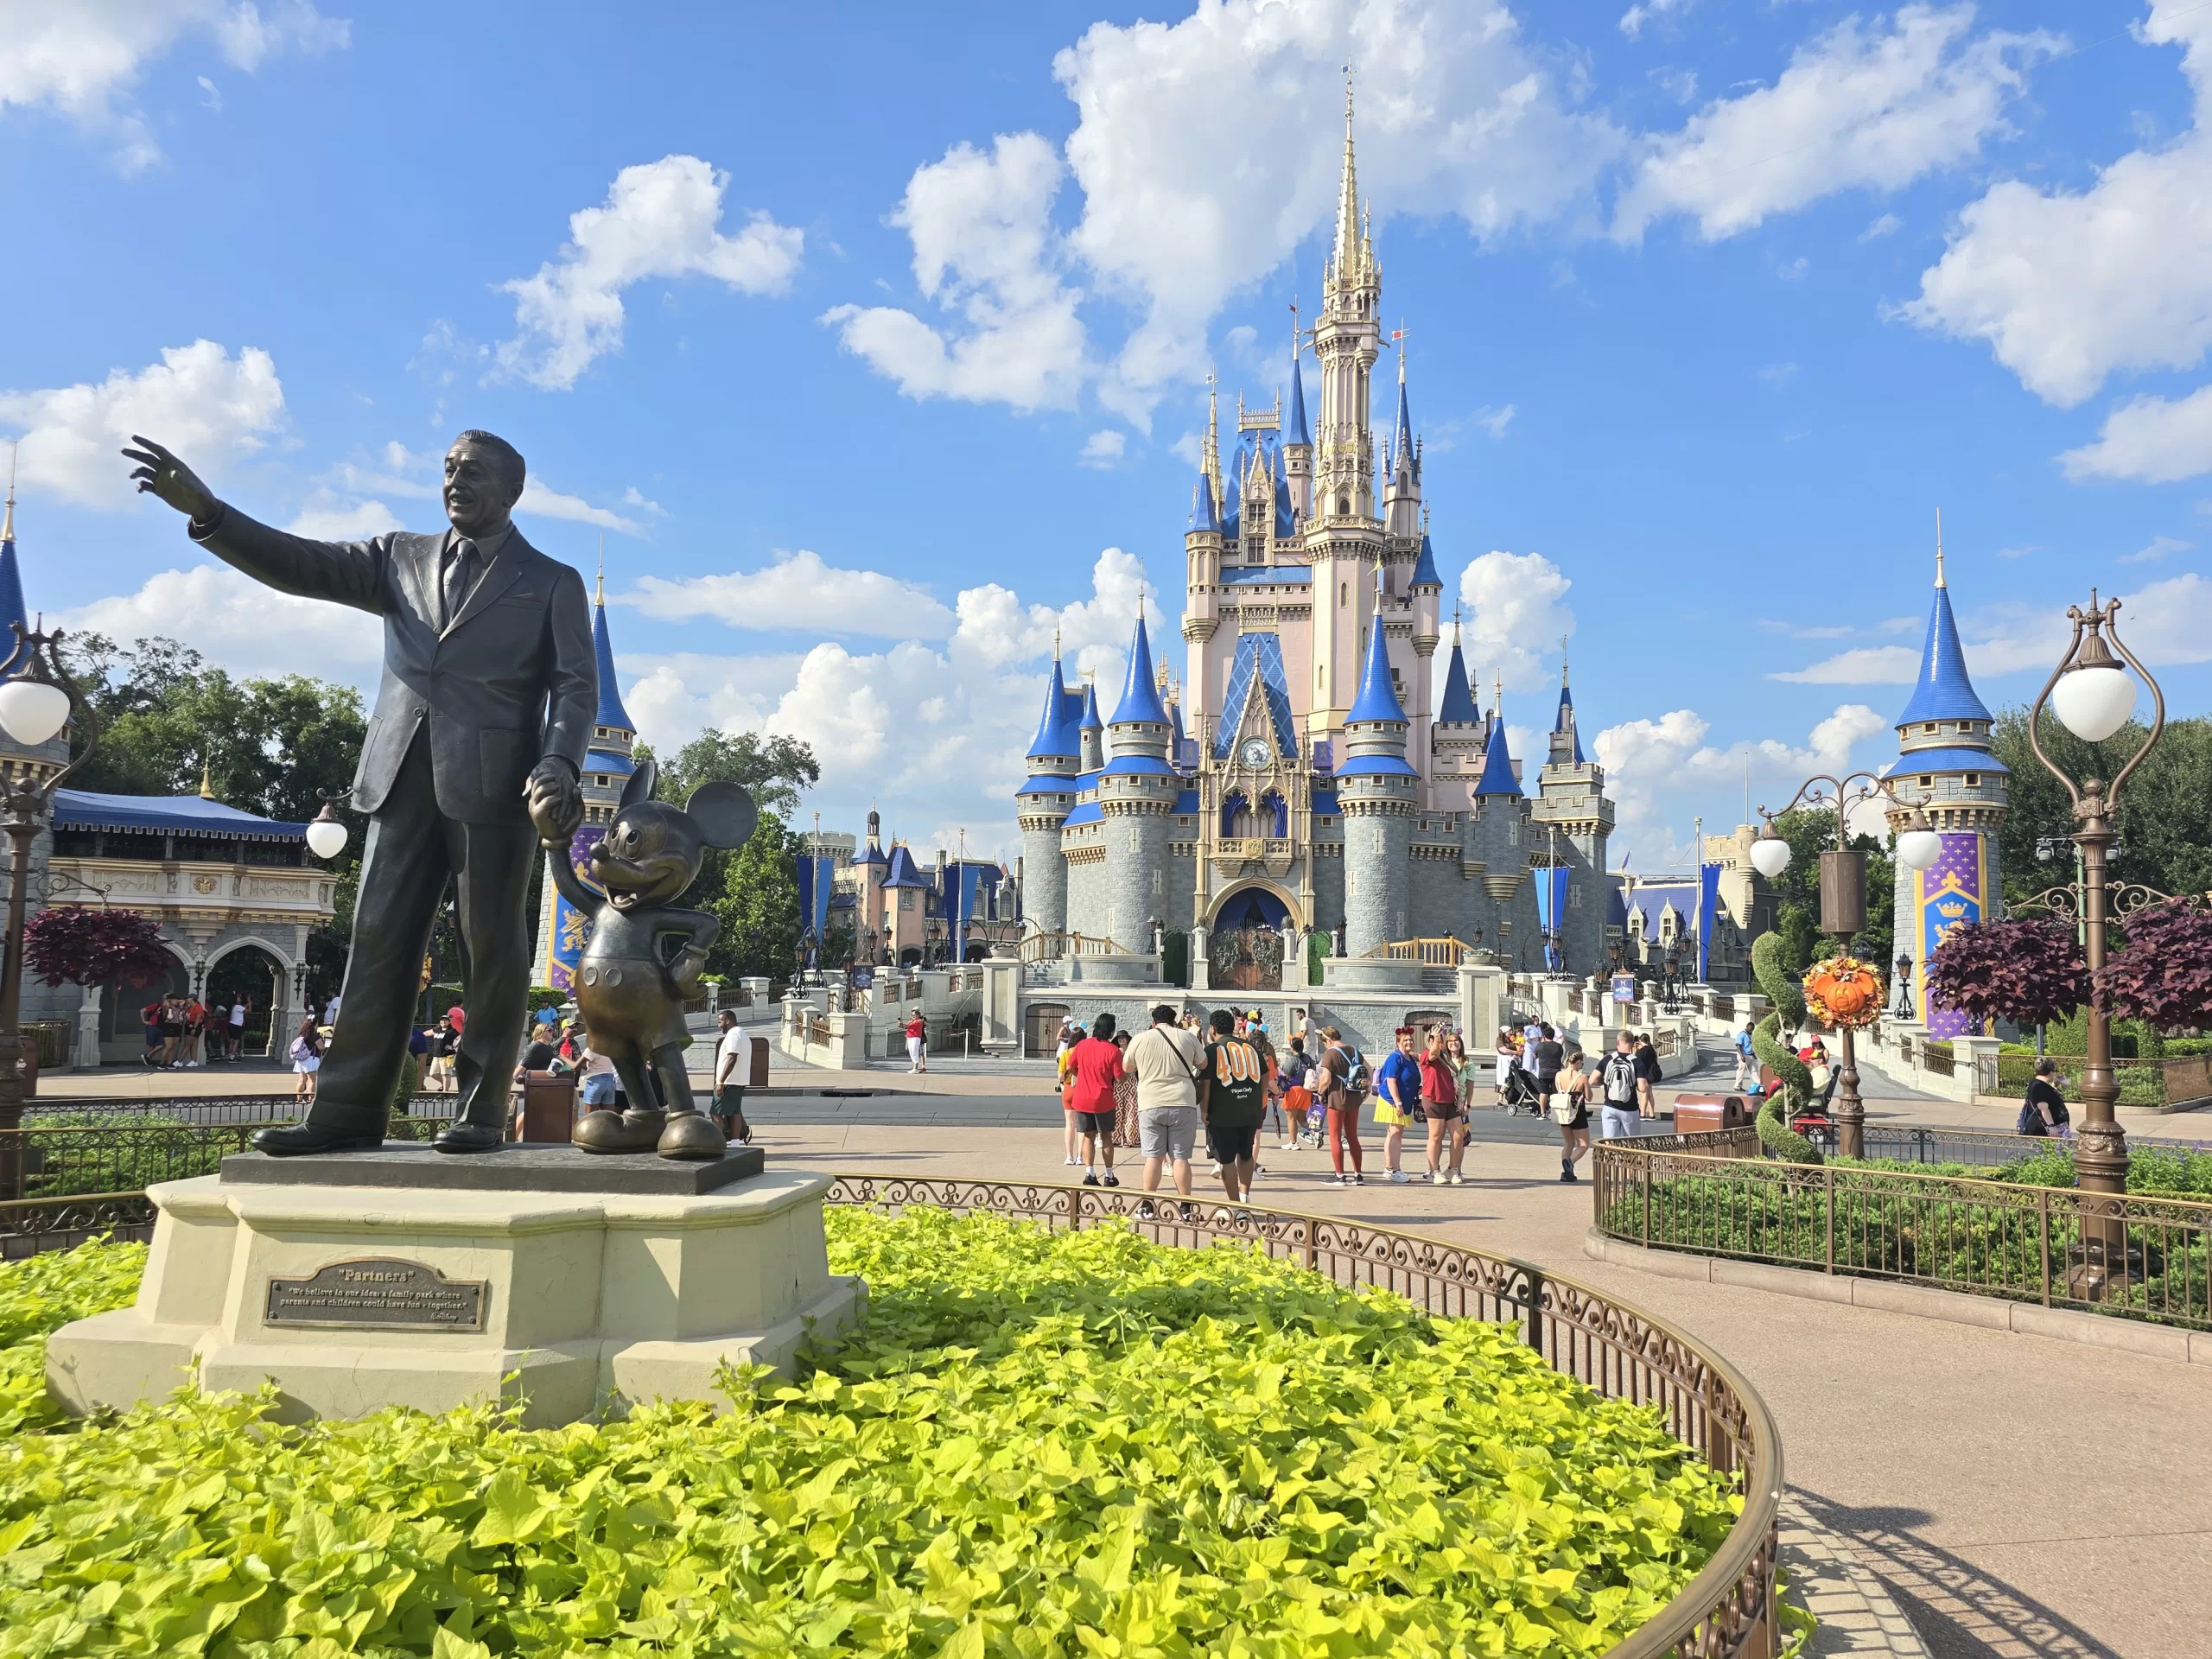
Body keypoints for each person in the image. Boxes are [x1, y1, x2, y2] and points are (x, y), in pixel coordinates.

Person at [1126, 1004, 1205, 1217]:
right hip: (1182, 1101)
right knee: (1180, 1157)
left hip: (1150, 1102)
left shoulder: (1141, 1038)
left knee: (1153, 1156)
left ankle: (1148, 1205)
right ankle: (1185, 1207)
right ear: (1175, 1021)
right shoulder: (1187, 1037)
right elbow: (1204, 1063)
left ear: (1153, 1022)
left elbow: (1127, 1068)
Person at [1200, 1009, 1266, 1208]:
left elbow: (1206, 1085)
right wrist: (1257, 1100)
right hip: (1250, 1111)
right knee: (1246, 1155)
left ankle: (1235, 1205)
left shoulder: (1212, 1051)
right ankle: (1245, 1195)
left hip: (1223, 1113)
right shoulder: (1251, 1048)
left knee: (1227, 1160)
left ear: (1212, 1029)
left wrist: (1204, 1111)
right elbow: (1265, 1078)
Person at [1065, 1013, 1125, 1186]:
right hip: (1103, 1099)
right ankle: (1109, 1175)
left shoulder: (1083, 1045)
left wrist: (1081, 1076)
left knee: (1088, 1136)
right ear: (1111, 1031)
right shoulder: (1113, 1051)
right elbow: (1120, 1077)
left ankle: (1089, 1173)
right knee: (1106, 1136)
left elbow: (1070, 1066)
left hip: (1082, 1097)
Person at [1316, 1026, 1364, 1186]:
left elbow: (1326, 1079)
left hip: (1336, 1099)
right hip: (1354, 1099)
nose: (1325, 1046)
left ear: (1329, 1040)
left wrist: (1319, 1092)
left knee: (1335, 1137)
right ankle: (1358, 1175)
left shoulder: (1330, 1054)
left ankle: (1340, 1175)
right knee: (1352, 1137)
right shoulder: (1354, 1051)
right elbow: (1368, 1071)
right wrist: (1367, 1091)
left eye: (1324, 1043)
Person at [1373, 1027, 1421, 1183]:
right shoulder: (1396, 1058)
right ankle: (1394, 1169)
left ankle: (1389, 1168)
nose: (1409, 1042)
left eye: (1410, 1040)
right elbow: (1391, 1080)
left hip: (1404, 1101)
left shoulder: (1410, 1058)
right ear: (1398, 1043)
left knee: (1393, 1134)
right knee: (1395, 1133)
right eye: (1405, 1040)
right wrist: (1398, 1102)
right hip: (1392, 1101)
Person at [1420, 1030, 1466, 1185]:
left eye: (1440, 1039)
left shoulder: (1446, 1058)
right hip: (1433, 1099)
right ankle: (1434, 1170)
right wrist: (1436, 1038)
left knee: (1458, 1135)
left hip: (1450, 1100)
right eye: (1435, 1039)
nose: (1439, 1041)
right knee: (1436, 1135)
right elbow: (1433, 1052)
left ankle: (1453, 1169)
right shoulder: (1427, 1054)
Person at [710, 1007, 753, 1143]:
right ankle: (735, 1144)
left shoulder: (733, 1035)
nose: (719, 1025)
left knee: (716, 1112)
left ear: (728, 1021)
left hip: (729, 1082)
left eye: (720, 1022)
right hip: (739, 1080)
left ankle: (717, 1143)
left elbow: (732, 1058)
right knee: (735, 1113)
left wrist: (721, 1081)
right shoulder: (743, 1034)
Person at [1557, 1045, 1593, 1181]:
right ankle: (1570, 1162)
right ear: (1577, 1063)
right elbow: (1589, 1097)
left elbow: (1559, 1091)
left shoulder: (1558, 1075)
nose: (1581, 1065)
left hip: (1563, 1112)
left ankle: (1566, 1174)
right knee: (1583, 1145)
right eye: (1581, 1063)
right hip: (1577, 1111)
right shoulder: (1582, 1077)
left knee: (1568, 1143)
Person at [1598, 1032, 1641, 1142]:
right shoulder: (1636, 1062)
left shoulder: (1608, 1059)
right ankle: (1628, 1160)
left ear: (1617, 1042)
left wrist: (1606, 1083)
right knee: (1632, 1145)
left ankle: (1611, 1159)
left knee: (1609, 1144)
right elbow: (1643, 1088)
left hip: (1610, 1106)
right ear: (1632, 1043)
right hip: (1630, 1109)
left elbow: (1592, 1080)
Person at [1273, 1035, 1313, 1151]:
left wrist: (1277, 1067)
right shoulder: (1308, 1058)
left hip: (1294, 1091)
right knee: (1302, 1117)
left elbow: (1285, 1075)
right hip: (1306, 1090)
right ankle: (1315, 1133)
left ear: (1292, 1047)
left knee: (1291, 1118)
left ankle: (1293, 1143)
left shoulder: (1292, 1060)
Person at [1058, 1021, 1086, 1166]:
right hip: (1083, 1089)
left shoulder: (1065, 1054)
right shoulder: (1086, 1052)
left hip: (1069, 1088)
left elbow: (1060, 1076)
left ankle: (1069, 1156)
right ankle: (1080, 1157)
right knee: (1082, 1125)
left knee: (1069, 1124)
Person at [2018, 1057, 2070, 1136]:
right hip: (2045, 1130)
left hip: (2048, 1128)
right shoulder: (2039, 1086)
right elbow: (2043, 1107)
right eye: (2054, 1071)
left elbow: (2047, 1097)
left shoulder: (2039, 1084)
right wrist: (2051, 1126)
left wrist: (2055, 1085)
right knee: (2052, 1148)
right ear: (2051, 1072)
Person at [577, 1035, 619, 1111]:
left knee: (591, 1118)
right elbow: (588, 1067)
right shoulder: (609, 1048)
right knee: (608, 1116)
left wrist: (564, 1057)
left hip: (596, 1081)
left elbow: (575, 1066)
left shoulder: (593, 1048)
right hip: (610, 1081)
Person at [1532, 1024, 1564, 1116]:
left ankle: (1542, 1112)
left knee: (1543, 1092)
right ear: (1554, 1036)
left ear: (1544, 1036)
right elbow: (1560, 1055)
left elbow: (1535, 1056)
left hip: (1543, 1073)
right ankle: (1555, 1112)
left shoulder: (1540, 1046)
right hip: (1556, 1073)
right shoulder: (1558, 1046)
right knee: (1555, 1093)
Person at [289, 1017, 322, 1103]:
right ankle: (311, 1100)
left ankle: (299, 1099)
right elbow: (321, 1047)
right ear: (314, 1025)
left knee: (302, 1080)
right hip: (311, 1059)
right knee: (313, 1080)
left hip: (301, 1060)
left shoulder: (303, 1035)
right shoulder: (316, 1036)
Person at [1634, 1031, 1662, 1119]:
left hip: (1644, 1075)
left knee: (1644, 1094)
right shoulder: (1652, 1050)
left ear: (1640, 1041)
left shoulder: (1641, 1052)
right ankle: (1651, 1113)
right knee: (1650, 1093)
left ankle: (1642, 1114)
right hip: (1651, 1074)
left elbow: (1637, 1062)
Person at [1732, 1018, 1758, 1092]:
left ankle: (1757, 1085)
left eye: (1752, 1030)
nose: (1751, 1031)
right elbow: (1738, 1046)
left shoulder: (1751, 1034)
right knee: (1741, 1071)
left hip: (1751, 1055)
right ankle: (1737, 1086)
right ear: (1747, 1028)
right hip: (1744, 1055)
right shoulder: (1741, 1035)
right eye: (1750, 1029)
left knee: (1754, 1071)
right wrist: (1741, 1056)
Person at [227, 997, 247, 1062]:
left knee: (232, 1042)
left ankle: (230, 1055)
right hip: (237, 1025)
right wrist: (249, 1003)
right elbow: (248, 1011)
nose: (240, 1000)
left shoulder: (233, 1006)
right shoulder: (238, 1006)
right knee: (236, 1042)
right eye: (238, 998)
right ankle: (232, 1057)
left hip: (231, 1024)